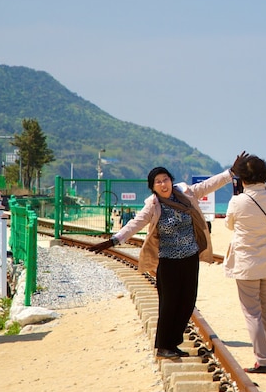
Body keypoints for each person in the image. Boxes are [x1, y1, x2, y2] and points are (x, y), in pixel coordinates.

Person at [91, 152, 246, 360]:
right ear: (153, 187)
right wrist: (114, 240)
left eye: (166, 179)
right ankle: (163, 346)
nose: (163, 184)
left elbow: (209, 185)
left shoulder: (186, 194)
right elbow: (134, 224)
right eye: (158, 182)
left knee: (187, 302)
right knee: (169, 304)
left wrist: (231, 173)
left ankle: (173, 343)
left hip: (190, 258)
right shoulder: (153, 206)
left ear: (171, 181)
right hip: (169, 262)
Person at [224, 155, 266, 374]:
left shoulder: (237, 201)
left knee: (252, 313)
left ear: (242, 178)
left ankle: (261, 360)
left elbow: (229, 224)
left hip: (247, 263)